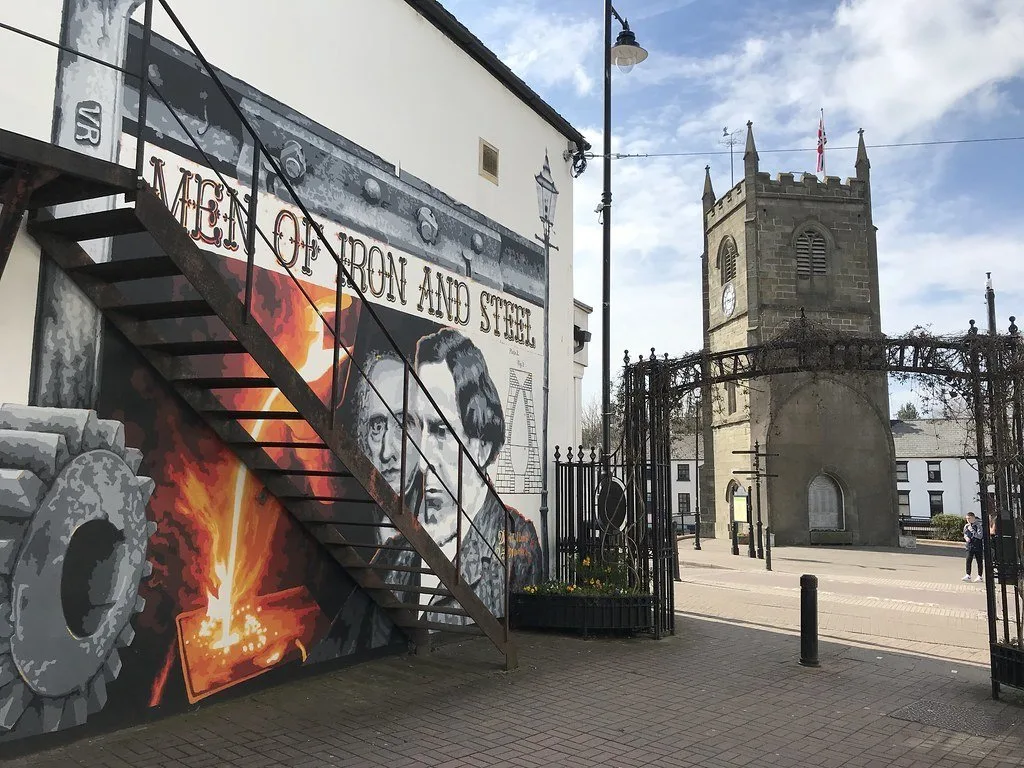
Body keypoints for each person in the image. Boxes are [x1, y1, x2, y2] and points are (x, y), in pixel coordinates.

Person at [411, 328, 542, 623]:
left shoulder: (517, 539)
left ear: (481, 446)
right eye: (419, 427)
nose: (423, 461)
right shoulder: (398, 551)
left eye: (441, 431)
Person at [963, 511, 984, 582]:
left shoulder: (978, 525)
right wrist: (966, 538)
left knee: (979, 561)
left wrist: (972, 531)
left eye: (969, 518)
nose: (968, 520)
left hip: (977, 545)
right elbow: (965, 534)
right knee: (968, 560)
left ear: (973, 518)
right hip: (969, 545)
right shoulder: (966, 526)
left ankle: (980, 576)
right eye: (967, 519)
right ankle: (968, 575)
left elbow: (980, 536)